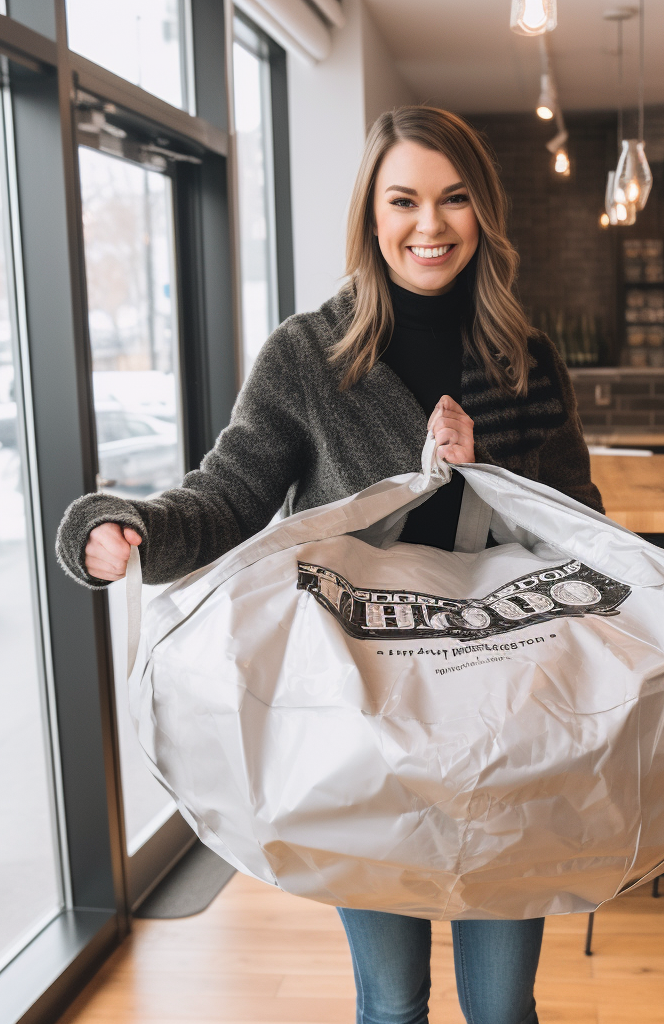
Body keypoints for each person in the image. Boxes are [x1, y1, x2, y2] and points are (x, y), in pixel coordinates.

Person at [57, 105, 603, 1024]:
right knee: (391, 1006)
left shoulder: (525, 358)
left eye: (455, 199)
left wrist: (492, 474)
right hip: (361, 722)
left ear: (483, 212)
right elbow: (229, 496)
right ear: (371, 214)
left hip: (505, 722)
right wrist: (126, 526)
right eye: (405, 201)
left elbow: (582, 525)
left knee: (503, 1009)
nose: (430, 225)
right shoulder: (308, 356)